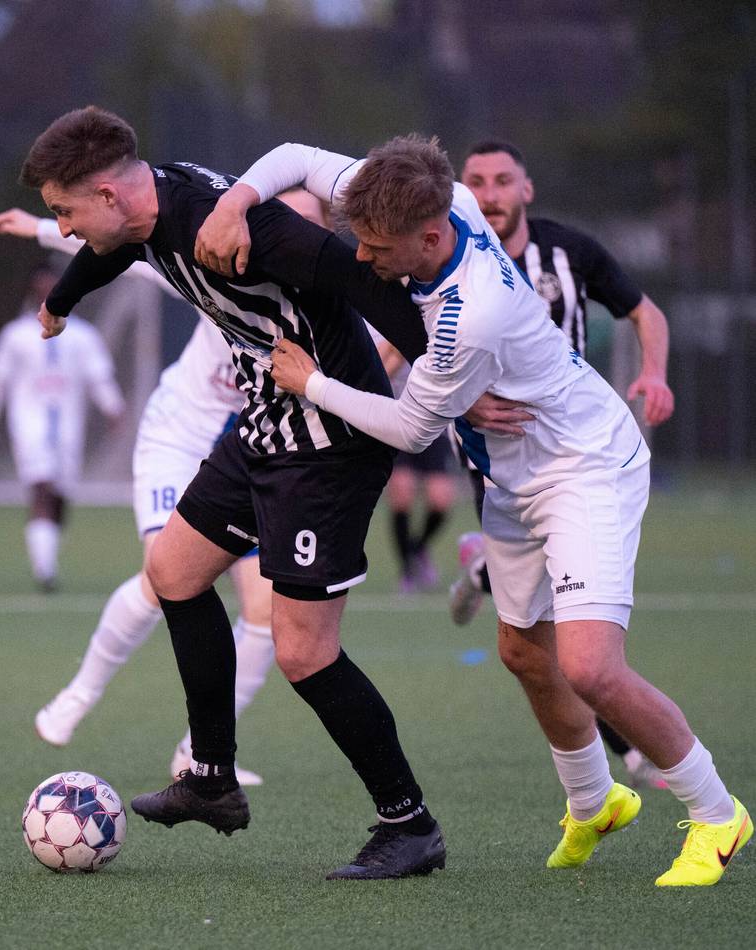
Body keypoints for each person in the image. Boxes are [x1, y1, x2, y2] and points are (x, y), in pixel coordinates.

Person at [199, 136, 750, 887]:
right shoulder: (431, 198)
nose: (361, 259)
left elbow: (407, 428)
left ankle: (719, 816)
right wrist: (234, 201)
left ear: (427, 239)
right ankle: (595, 801)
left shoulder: (469, 318)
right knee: (524, 653)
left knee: (589, 666)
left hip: (582, 468)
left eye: (375, 247)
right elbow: (295, 154)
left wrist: (311, 384)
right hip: (513, 482)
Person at [15, 106, 445, 880]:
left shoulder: (240, 230)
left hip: (329, 448)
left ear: (109, 196)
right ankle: (211, 777)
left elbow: (354, 279)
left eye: (66, 213)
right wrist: (64, 298)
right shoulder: (148, 209)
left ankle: (409, 824)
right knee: (173, 574)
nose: (66, 230)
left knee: (304, 654)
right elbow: (115, 254)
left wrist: (451, 377)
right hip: (265, 428)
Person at [449, 140, 675, 791]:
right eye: (476, 181)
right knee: (538, 640)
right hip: (497, 466)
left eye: (501, 180)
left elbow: (644, 311)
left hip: (576, 458)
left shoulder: (569, 252)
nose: (489, 193)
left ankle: (632, 755)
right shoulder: (446, 254)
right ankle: (625, 761)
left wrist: (655, 373)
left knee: (575, 633)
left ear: (527, 188)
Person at [0, 265, 124, 592]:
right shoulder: (15, 335)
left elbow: (100, 379)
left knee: (59, 496)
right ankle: (45, 571)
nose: (47, 294)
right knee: (41, 487)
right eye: (41, 288)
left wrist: (115, 411)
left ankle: (47, 556)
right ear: (32, 292)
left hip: (69, 427)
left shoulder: (83, 336)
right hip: (29, 424)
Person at [373, 336, 458, 593]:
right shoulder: (373, 322)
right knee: (402, 492)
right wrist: (395, 355)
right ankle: (407, 570)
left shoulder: (436, 316)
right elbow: (372, 375)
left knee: (441, 499)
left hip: (434, 419)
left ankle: (417, 550)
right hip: (396, 414)